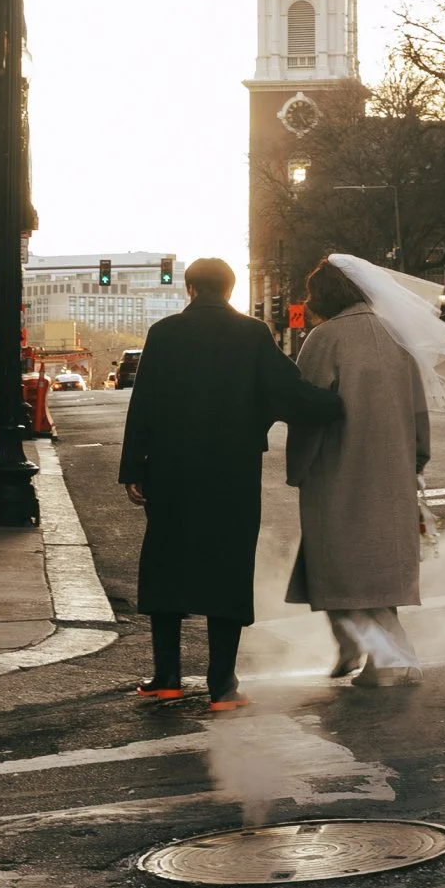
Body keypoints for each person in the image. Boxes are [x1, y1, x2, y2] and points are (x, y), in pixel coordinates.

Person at [118, 256, 343, 709]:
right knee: (227, 566)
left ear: (190, 289)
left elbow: (143, 405)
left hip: (171, 470)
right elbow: (289, 392)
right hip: (231, 472)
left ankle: (167, 676)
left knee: (166, 565)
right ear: (230, 288)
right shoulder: (251, 334)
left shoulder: (163, 334)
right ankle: (222, 685)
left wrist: (134, 469)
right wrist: (335, 403)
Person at [285, 254, 445, 687]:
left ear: (325, 295)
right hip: (392, 471)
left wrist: (300, 466)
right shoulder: (395, 336)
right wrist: (416, 460)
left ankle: (391, 657)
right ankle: (365, 651)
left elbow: (307, 411)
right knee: (375, 567)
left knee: (347, 568)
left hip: (338, 471)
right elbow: (419, 411)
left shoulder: (325, 339)